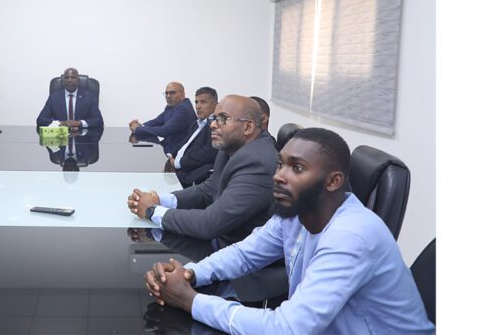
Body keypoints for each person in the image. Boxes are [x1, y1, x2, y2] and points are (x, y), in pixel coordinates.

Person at [144, 128, 434, 334]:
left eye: (297, 168)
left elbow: (287, 328)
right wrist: (190, 274)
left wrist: (190, 300)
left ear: (333, 181)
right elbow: (245, 254)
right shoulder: (297, 211)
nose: (279, 176)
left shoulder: (351, 236)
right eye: (281, 164)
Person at [127, 95, 277, 246]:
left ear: (248, 127)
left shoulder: (258, 163)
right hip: (221, 242)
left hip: (237, 250)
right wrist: (160, 200)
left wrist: (152, 211)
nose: (212, 125)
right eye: (214, 118)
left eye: (223, 119)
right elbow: (209, 189)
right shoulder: (230, 147)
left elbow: (210, 223)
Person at [165, 87, 219, 187]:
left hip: (192, 179)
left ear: (215, 105)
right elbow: (183, 145)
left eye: (203, 102)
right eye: (196, 102)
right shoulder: (195, 124)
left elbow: (208, 154)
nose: (198, 106)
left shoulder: (216, 126)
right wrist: (171, 156)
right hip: (177, 173)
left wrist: (178, 163)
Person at [129, 82, 196, 155]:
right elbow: (157, 121)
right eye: (166, 93)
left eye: (172, 93)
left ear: (182, 94)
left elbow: (164, 131)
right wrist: (141, 126)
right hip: (170, 146)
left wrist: (138, 129)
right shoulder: (172, 106)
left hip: (179, 153)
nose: (168, 96)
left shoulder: (183, 109)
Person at [36, 67, 103, 129]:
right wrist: (60, 123)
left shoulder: (89, 97)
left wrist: (79, 123)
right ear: (63, 80)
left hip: (83, 135)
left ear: (78, 80)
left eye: (73, 78)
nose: (69, 80)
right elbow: (40, 120)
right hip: (60, 135)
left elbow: (98, 120)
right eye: (66, 78)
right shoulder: (54, 97)